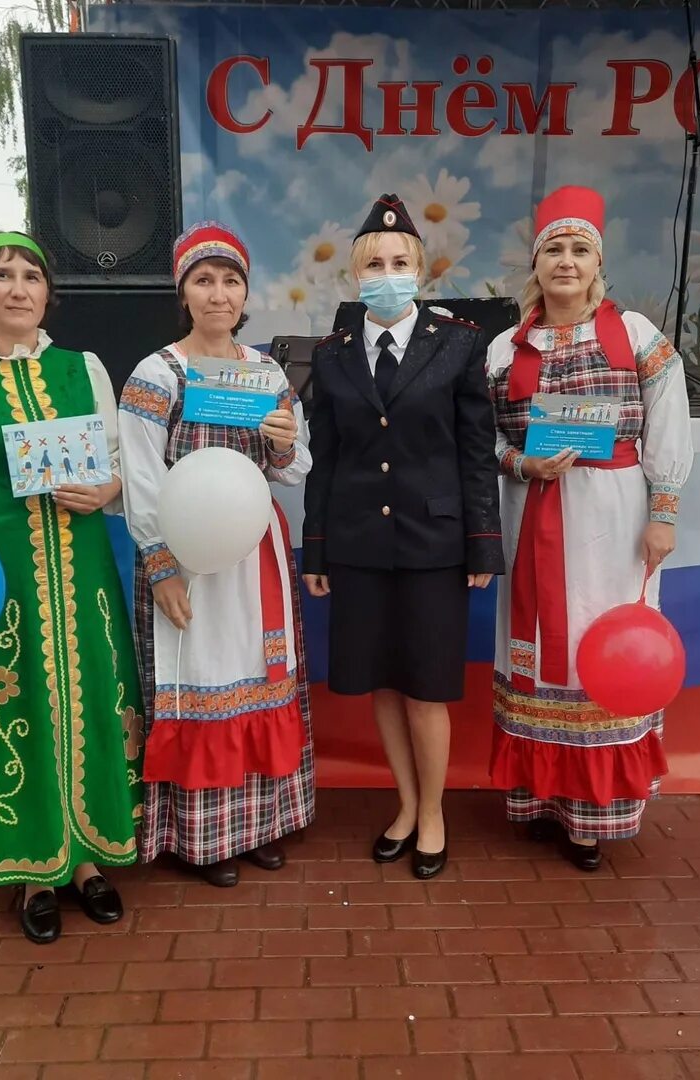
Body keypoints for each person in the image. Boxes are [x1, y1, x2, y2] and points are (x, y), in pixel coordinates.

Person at [0, 230, 143, 943]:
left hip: (83, 567)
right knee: (20, 711)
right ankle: (36, 871)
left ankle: (90, 861)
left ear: (48, 292)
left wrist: (105, 489)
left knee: (91, 701)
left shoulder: (85, 367)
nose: (17, 288)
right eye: (1, 275)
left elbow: (112, 463)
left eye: (30, 275)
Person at [486, 186, 694, 870]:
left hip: (614, 518)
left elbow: (666, 425)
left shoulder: (636, 334)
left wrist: (663, 514)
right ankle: (545, 799)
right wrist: (522, 462)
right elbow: (483, 442)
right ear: (536, 264)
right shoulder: (502, 349)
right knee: (543, 645)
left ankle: (592, 816)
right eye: (553, 249)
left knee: (601, 648)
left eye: (579, 250)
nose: (565, 262)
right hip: (534, 515)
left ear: (596, 263)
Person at [302, 194, 504, 879]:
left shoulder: (458, 344)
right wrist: (318, 547)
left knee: (425, 686)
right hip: (358, 544)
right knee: (381, 685)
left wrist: (482, 542)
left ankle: (436, 813)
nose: (386, 273)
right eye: (373, 264)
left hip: (432, 545)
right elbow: (323, 458)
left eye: (399, 262)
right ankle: (407, 804)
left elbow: (477, 451)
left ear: (420, 269)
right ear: (353, 277)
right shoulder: (332, 357)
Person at [118, 220, 314, 888]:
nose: (218, 294)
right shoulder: (157, 373)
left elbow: (294, 468)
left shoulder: (266, 372)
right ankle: (203, 837)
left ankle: (260, 824)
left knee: (259, 677)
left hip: (255, 555)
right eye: (204, 280)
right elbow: (142, 478)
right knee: (200, 678)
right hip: (189, 555)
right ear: (184, 292)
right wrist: (160, 566)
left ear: (245, 293)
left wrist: (285, 439)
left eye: (230, 281)